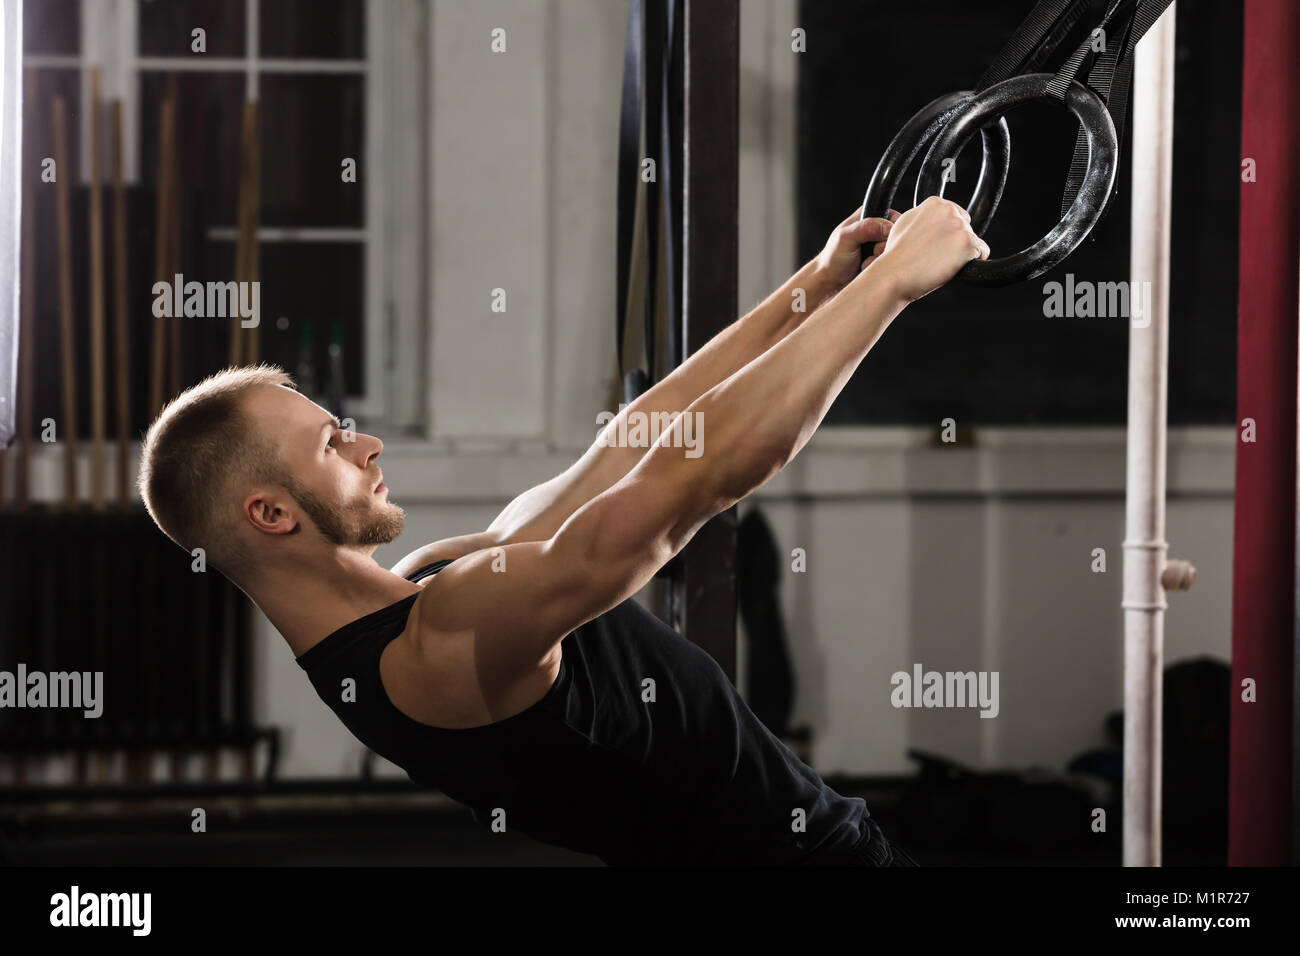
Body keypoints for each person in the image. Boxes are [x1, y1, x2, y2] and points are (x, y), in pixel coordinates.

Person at [138, 196, 988, 865]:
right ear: (272, 514)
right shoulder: (444, 642)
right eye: (332, 443)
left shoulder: (431, 591)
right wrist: (891, 287)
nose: (368, 445)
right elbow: (693, 480)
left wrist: (819, 284)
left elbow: (637, 444)